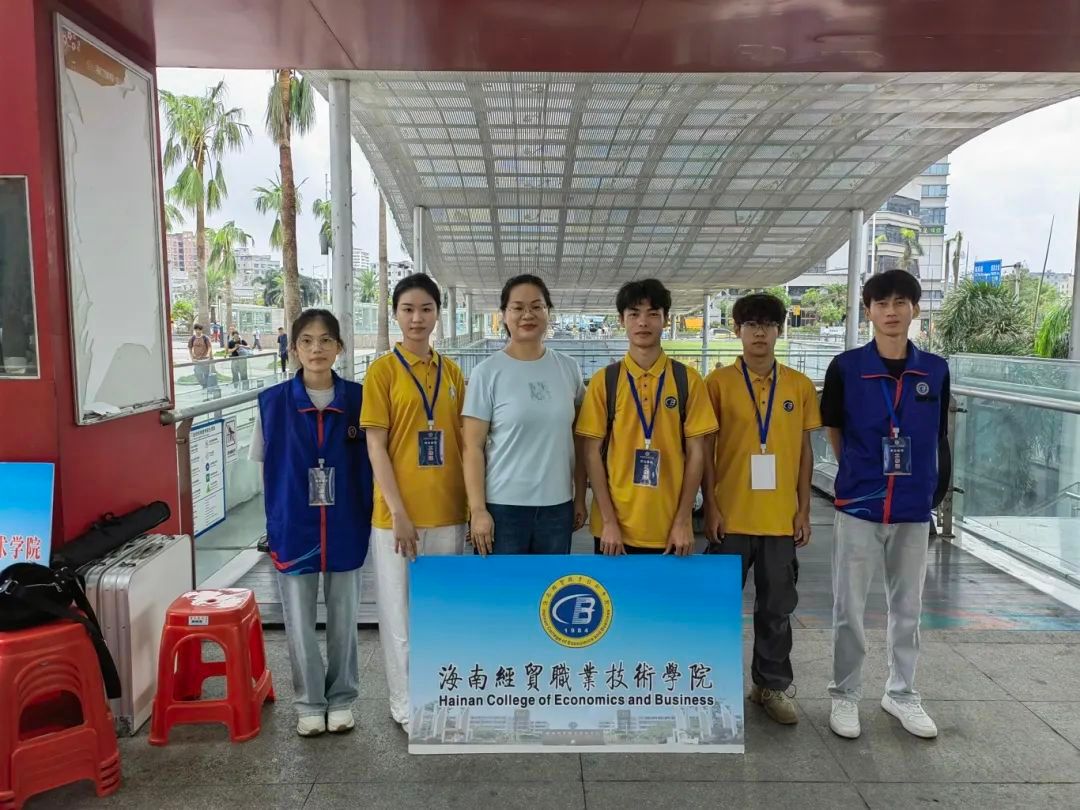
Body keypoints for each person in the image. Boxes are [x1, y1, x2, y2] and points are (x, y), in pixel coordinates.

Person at [821, 269, 950, 741]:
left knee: (908, 608)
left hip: (913, 507)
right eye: (881, 303)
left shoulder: (934, 370)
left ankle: (902, 693)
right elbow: (834, 428)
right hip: (859, 505)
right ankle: (845, 694)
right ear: (868, 311)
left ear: (915, 308)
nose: (891, 311)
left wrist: (931, 490)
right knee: (849, 608)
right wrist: (860, 475)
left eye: (900, 302)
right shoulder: (846, 367)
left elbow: (938, 435)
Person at [248, 309, 373, 737]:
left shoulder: (360, 400)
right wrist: (276, 520)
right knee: (299, 622)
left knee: (344, 618)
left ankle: (342, 699)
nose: (316, 349)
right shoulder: (272, 403)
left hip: (347, 524)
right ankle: (309, 703)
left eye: (325, 340)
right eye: (306, 340)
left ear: (339, 347)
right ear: (294, 348)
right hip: (294, 526)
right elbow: (262, 468)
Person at [702, 293, 821, 726]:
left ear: (779, 331)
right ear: (736, 330)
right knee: (716, 607)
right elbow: (705, 451)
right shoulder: (716, 384)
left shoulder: (799, 386)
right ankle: (710, 684)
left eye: (768, 324)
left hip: (779, 519)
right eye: (750, 324)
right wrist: (709, 507)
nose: (759, 332)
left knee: (776, 609)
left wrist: (803, 510)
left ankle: (770, 685)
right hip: (730, 517)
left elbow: (805, 452)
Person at [360, 273, 468, 731]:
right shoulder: (382, 372)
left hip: (448, 512)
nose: (417, 318)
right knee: (398, 614)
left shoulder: (453, 372)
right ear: (395, 315)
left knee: (440, 610)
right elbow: (376, 447)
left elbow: (466, 443)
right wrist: (399, 513)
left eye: (426, 309)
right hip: (395, 518)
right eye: (408, 309)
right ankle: (405, 703)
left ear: (438, 314)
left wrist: (473, 506)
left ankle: (439, 694)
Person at [576, 279, 717, 555]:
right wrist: (608, 522)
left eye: (653, 314)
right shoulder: (605, 381)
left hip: (671, 531)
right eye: (634, 314)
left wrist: (683, 521)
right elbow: (591, 453)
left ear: (666, 319)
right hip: (614, 532)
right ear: (622, 320)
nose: (643, 322)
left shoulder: (687, 380)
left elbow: (697, 453)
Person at [463, 274, 587, 554]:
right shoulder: (487, 373)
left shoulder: (569, 369)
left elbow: (579, 440)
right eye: (518, 307)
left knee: (551, 583)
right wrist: (478, 509)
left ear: (548, 312)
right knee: (502, 584)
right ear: (504, 314)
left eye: (536, 306)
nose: (527, 315)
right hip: (503, 508)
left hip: (557, 507)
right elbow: (472, 447)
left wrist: (579, 496)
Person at [187, 323, 213, 392]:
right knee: (197, 373)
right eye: (196, 329)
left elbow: (209, 347)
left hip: (205, 359)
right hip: (197, 360)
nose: (198, 331)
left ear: (201, 330)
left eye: (199, 330)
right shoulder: (192, 338)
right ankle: (203, 384)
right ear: (195, 330)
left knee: (206, 374)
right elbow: (190, 348)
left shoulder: (205, 338)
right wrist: (192, 358)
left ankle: (206, 387)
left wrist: (208, 354)